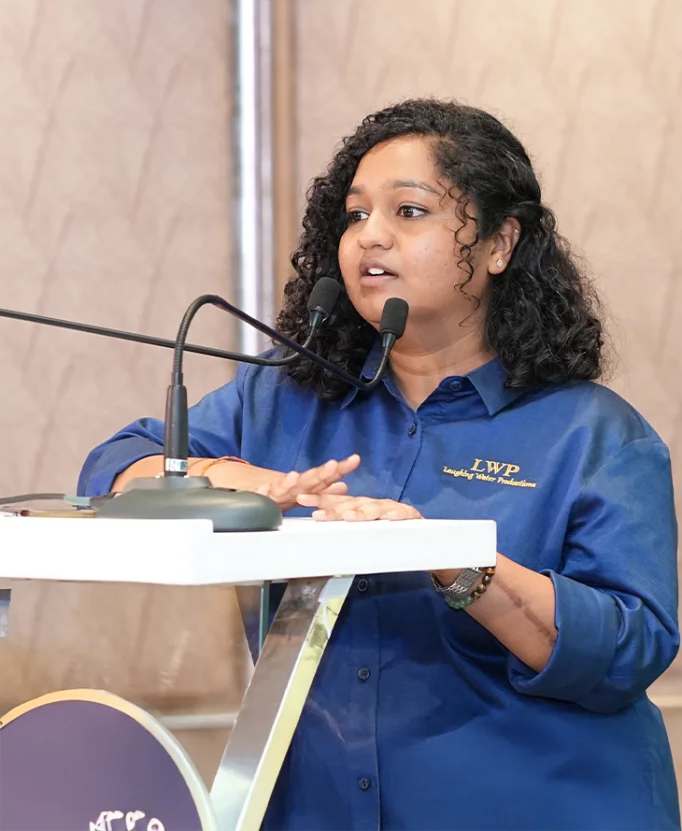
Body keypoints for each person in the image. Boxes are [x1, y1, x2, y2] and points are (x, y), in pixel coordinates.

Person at [79, 98, 680, 830]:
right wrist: (248, 485)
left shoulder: (592, 432)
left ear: (499, 243)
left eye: (410, 211)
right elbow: (115, 467)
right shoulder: (284, 399)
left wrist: (452, 559)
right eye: (356, 214)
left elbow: (629, 649)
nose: (371, 236)